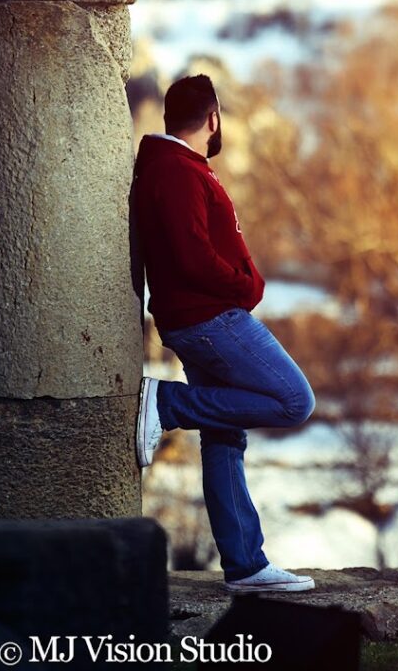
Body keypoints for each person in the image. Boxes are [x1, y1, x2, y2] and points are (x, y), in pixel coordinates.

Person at [133, 74, 316, 592]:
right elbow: (191, 254)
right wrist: (243, 282)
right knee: (292, 401)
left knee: (224, 437)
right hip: (211, 319)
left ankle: (246, 565)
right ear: (213, 119)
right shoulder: (175, 170)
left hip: (201, 317)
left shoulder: (177, 166)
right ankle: (168, 404)